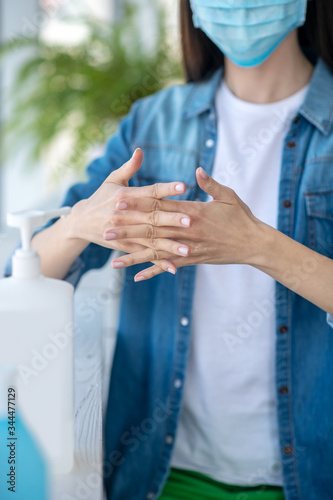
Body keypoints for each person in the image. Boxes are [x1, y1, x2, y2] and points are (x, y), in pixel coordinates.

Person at [5, 1, 333, 499]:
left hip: (308, 478)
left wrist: (259, 245)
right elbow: (29, 272)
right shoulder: (152, 125)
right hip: (159, 476)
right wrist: (78, 224)